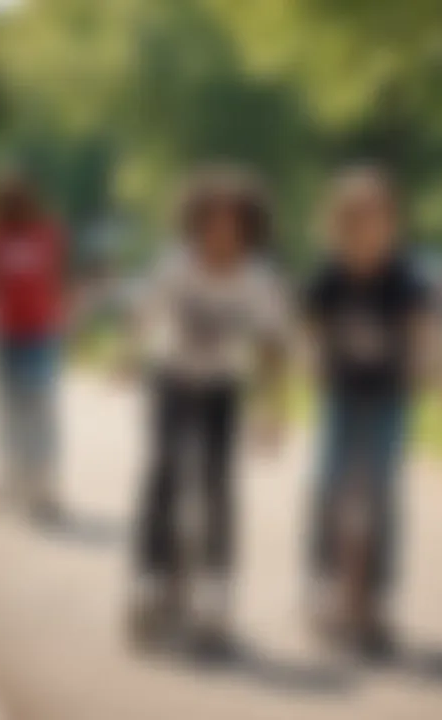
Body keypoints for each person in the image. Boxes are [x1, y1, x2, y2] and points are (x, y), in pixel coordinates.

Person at [128, 166, 289, 652]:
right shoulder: (177, 264)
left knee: (218, 483)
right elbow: (144, 312)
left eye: (232, 221)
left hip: (222, 385)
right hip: (172, 377)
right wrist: (124, 350)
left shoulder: (258, 278)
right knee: (164, 472)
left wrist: (272, 408)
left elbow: (271, 346)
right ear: (195, 223)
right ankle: (154, 577)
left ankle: (215, 586)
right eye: (210, 220)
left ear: (248, 227)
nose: (220, 231)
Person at [304, 166, 430, 656]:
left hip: (387, 400)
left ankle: (377, 596)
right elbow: (311, 325)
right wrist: (312, 359)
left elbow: (420, 326)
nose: (364, 225)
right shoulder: (329, 274)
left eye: (375, 214)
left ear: (392, 222)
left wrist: (420, 368)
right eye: (353, 216)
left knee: (380, 492)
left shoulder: (403, 275)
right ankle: (325, 583)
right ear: (337, 222)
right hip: (340, 397)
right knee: (330, 486)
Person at [0, 171, 68, 522]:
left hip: (39, 332)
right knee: (8, 412)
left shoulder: (48, 231)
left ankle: (42, 489)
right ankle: (10, 480)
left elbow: (58, 274)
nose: (15, 206)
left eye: (21, 199)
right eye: (7, 200)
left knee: (38, 413)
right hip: (3, 333)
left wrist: (61, 311)